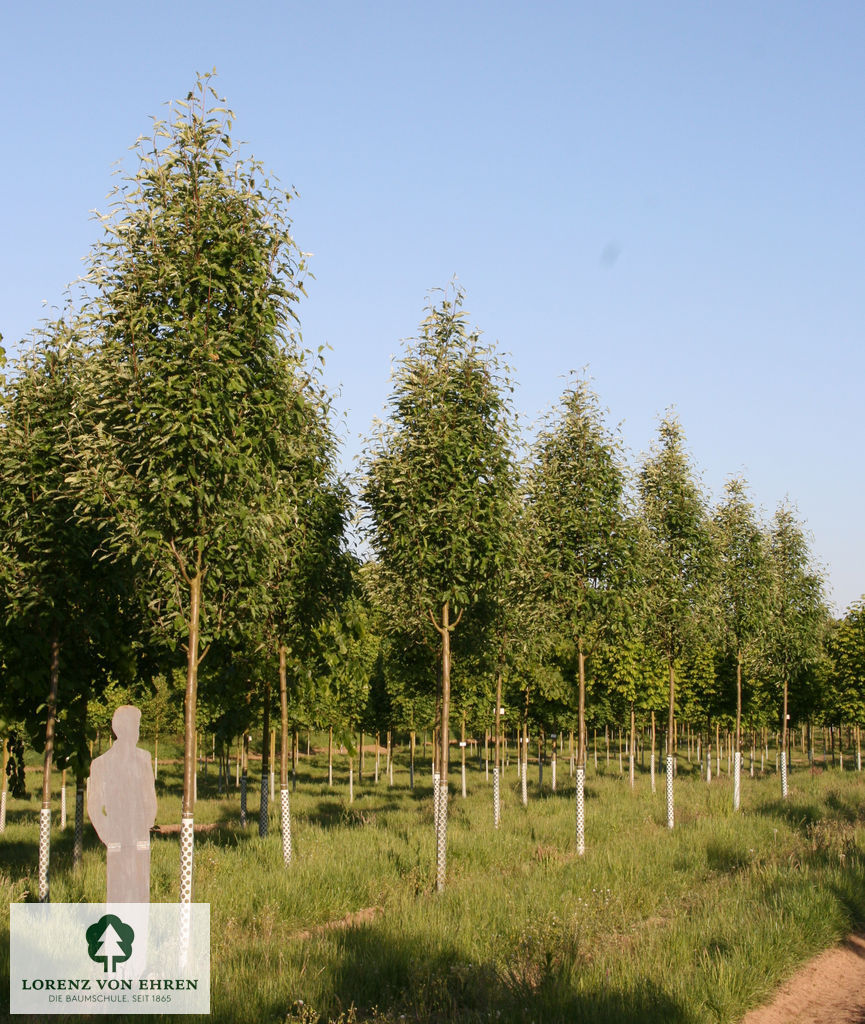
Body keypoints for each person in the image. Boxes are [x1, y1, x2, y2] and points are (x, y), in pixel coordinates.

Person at [88, 705, 157, 902]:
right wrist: (108, 835)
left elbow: (150, 797)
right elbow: (94, 805)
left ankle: (138, 923)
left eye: (138, 726)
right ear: (121, 728)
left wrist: (146, 824)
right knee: (118, 893)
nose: (137, 731)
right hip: (117, 837)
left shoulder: (144, 758)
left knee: (140, 894)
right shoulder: (101, 763)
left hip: (139, 836)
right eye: (134, 726)